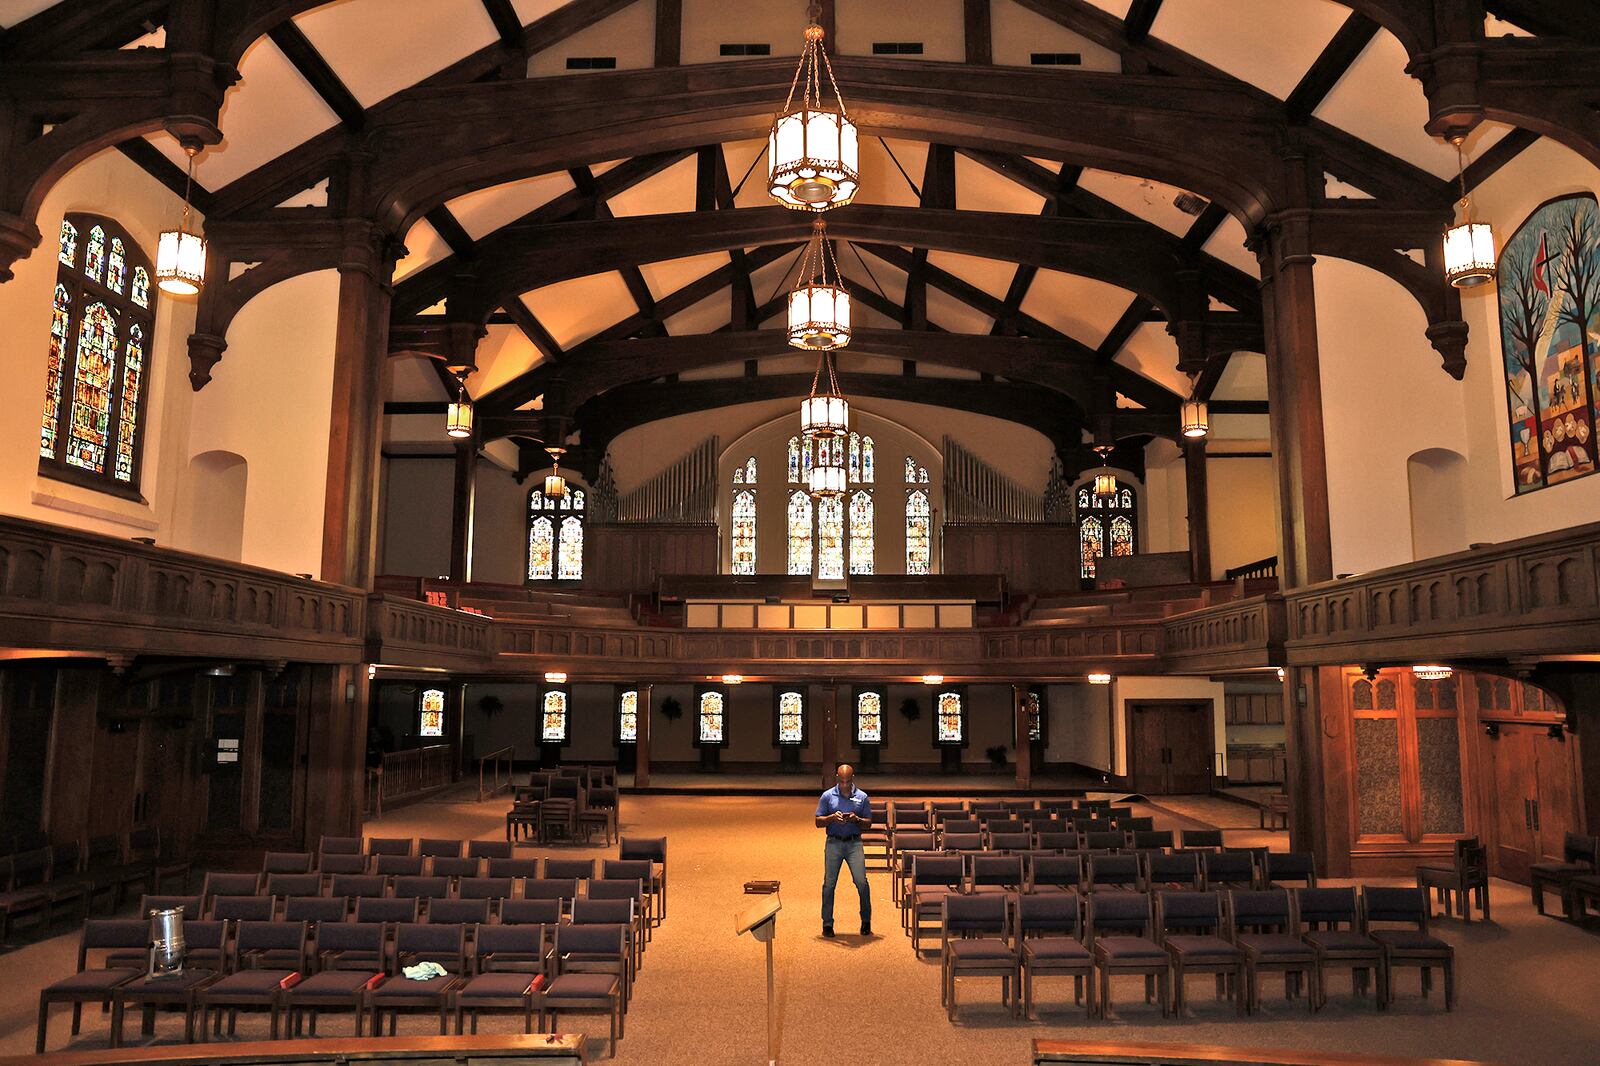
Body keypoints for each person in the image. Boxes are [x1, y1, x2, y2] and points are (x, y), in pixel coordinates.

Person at [815, 763, 872, 937]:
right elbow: (818, 821)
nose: (845, 785)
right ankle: (827, 923)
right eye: (842, 781)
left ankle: (866, 921)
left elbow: (868, 823)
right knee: (829, 885)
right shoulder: (827, 796)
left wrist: (857, 819)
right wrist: (831, 818)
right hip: (834, 843)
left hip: (854, 844)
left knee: (861, 882)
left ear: (852, 779)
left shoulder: (862, 797)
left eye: (848, 781)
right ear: (837, 779)